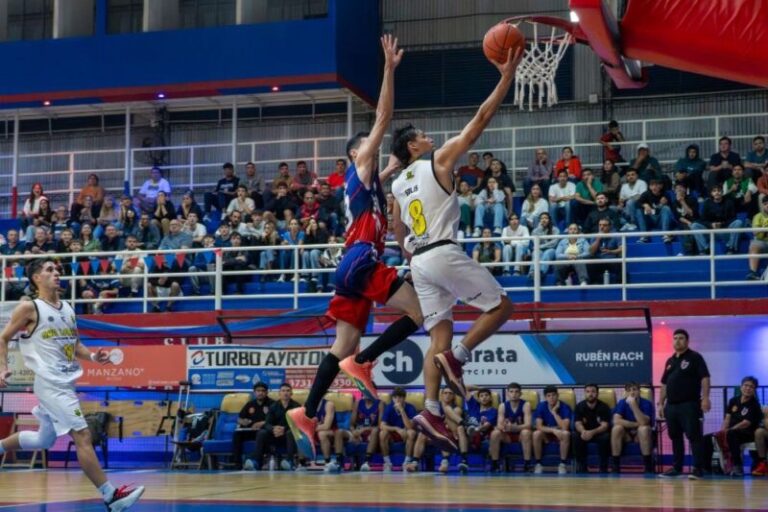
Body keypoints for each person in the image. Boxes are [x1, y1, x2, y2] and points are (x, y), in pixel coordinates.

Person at [287, 36, 424, 461]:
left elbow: (394, 164)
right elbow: (383, 115)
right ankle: (364, 362)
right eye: (369, 145)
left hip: (351, 265)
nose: (376, 147)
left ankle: (306, 412)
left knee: (339, 347)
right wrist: (388, 68)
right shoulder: (359, 167)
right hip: (362, 258)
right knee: (418, 312)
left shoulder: (370, 183)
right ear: (355, 153)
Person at [390, 45, 520, 453]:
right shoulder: (438, 160)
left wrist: (411, 254)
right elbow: (479, 121)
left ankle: (429, 409)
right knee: (502, 306)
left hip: (420, 262)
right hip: (443, 252)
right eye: (421, 136)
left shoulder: (396, 184)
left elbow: (396, 228)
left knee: (437, 338)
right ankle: (461, 356)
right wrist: (505, 77)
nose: (429, 138)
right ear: (412, 147)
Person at [0, 259, 144, 510]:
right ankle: (111, 496)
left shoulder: (67, 307)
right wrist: (3, 367)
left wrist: (94, 357)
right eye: (49, 270)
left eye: (57, 270)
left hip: (65, 383)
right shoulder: (29, 308)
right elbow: (3, 338)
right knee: (83, 434)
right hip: (50, 384)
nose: (56, 273)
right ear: (36, 278)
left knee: (44, 440)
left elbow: (75, 345)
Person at [658, 328, 711, 479]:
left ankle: (698, 469)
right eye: (675, 338)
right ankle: (677, 468)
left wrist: (706, 398)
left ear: (687, 341)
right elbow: (664, 384)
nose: (678, 341)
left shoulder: (695, 357)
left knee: (694, 436)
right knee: (675, 437)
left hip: (689, 404)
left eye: (681, 338)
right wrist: (661, 404)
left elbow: (705, 378)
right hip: (671, 406)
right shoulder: (670, 361)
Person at [702, 376, 762, 476]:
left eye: (751, 387)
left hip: (747, 433)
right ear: (741, 387)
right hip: (731, 431)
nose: (748, 388)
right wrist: (722, 432)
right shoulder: (733, 401)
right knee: (707, 438)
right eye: (746, 385)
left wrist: (729, 431)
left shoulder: (754, 404)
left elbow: (746, 423)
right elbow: (727, 418)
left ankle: (737, 466)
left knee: (731, 434)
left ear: (754, 390)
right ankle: (706, 468)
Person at [244, 383, 300, 471]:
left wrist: (284, 429)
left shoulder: (297, 406)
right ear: (279, 393)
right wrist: (273, 429)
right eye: (283, 391)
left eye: (288, 391)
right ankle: (257, 462)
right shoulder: (273, 406)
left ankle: (290, 462)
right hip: (275, 435)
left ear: (291, 393)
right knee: (262, 433)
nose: (285, 393)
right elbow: (267, 423)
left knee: (290, 432)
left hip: (288, 436)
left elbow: (297, 424)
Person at [611, 382, 655, 474]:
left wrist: (633, 405)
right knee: (616, 428)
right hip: (626, 435)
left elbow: (644, 422)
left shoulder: (646, 403)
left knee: (644, 429)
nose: (632, 392)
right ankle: (615, 466)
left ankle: (648, 466)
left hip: (640, 436)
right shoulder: (622, 402)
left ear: (639, 391)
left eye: (634, 389)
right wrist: (636, 424)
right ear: (626, 392)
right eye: (629, 390)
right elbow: (616, 420)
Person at [489, 382, 532, 473]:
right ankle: (495, 464)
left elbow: (528, 425)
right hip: (507, 435)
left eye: (516, 392)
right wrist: (504, 427)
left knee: (526, 432)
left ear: (520, 394)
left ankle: (527, 464)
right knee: (495, 433)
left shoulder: (525, 405)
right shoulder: (503, 406)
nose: (514, 394)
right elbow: (499, 424)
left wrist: (514, 428)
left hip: (520, 435)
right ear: (508, 393)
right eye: (511, 392)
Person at [334, 395, 383, 472]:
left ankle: (366, 462)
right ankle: (339, 463)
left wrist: (364, 429)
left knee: (375, 431)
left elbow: (380, 426)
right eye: (364, 391)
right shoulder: (358, 403)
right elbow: (351, 424)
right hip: (358, 433)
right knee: (339, 432)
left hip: (371, 433)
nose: (366, 394)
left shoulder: (380, 404)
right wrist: (354, 432)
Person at [690, 186, 743, 255]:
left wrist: (722, 224)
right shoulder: (707, 203)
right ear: (711, 193)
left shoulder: (729, 202)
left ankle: (731, 248)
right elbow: (702, 220)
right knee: (694, 225)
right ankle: (706, 249)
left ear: (722, 192)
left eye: (719, 191)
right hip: (710, 231)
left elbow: (733, 218)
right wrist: (711, 224)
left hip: (725, 231)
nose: (717, 193)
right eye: (714, 191)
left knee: (738, 222)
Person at [231, 382, 273, 469]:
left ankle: (257, 462)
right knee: (237, 434)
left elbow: (275, 420)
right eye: (258, 391)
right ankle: (237, 463)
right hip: (251, 431)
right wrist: (242, 421)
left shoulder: (272, 404)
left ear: (267, 392)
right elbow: (239, 418)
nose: (260, 393)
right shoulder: (250, 404)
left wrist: (262, 423)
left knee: (261, 433)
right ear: (254, 392)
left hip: (265, 432)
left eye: (263, 391)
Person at [572, 383, 612, 473]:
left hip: (598, 433)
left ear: (597, 393)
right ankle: (582, 466)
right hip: (585, 433)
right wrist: (583, 431)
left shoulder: (604, 407)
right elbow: (577, 423)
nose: (590, 394)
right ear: (584, 393)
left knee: (606, 437)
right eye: (588, 392)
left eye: (593, 391)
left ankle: (603, 467)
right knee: (575, 436)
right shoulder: (579, 406)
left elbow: (605, 426)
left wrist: (592, 432)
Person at [532, 386, 572, 475]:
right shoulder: (541, 406)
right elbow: (539, 426)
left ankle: (562, 464)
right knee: (536, 434)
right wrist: (553, 430)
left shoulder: (565, 407)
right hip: (547, 434)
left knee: (566, 433)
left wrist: (554, 413)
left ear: (557, 396)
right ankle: (538, 464)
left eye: (553, 395)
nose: (551, 398)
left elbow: (565, 427)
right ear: (545, 397)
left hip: (560, 434)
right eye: (548, 396)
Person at [379, 387, 418, 472]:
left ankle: (407, 462)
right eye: (395, 397)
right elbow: (382, 426)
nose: (397, 400)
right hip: (393, 434)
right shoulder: (389, 407)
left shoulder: (410, 408)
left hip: (406, 433)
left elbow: (410, 426)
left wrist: (402, 410)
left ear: (404, 398)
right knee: (382, 433)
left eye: (400, 397)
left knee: (411, 433)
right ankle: (387, 463)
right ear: (392, 398)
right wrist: (397, 429)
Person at [636, 179, 673, 243]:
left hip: (660, 220)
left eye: (656, 185)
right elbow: (637, 203)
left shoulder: (665, 194)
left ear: (660, 186)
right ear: (650, 187)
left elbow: (671, 209)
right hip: (650, 219)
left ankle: (665, 234)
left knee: (666, 208)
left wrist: (666, 203)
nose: (654, 187)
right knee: (639, 211)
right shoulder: (646, 194)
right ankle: (644, 236)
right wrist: (645, 205)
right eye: (652, 185)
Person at [588, 218, 621, 284]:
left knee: (620, 263)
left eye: (604, 225)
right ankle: (594, 285)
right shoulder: (595, 236)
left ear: (610, 226)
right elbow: (591, 252)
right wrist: (598, 239)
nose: (601, 227)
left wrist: (610, 251)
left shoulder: (616, 235)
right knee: (590, 262)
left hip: (612, 260)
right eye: (600, 225)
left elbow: (622, 249)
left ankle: (620, 286)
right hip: (599, 260)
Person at [747, 196, 768, 280]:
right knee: (754, 246)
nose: (767, 205)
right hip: (762, 242)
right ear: (763, 206)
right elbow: (755, 232)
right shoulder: (758, 216)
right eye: (765, 204)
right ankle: (753, 272)